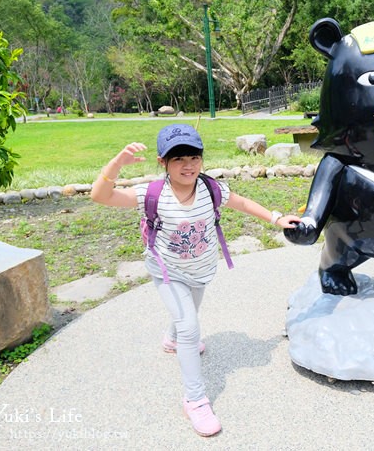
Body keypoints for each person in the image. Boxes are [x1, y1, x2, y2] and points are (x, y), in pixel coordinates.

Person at [91, 124, 300, 437]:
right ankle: (195, 399)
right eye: (178, 159)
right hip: (167, 271)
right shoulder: (151, 194)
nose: (187, 165)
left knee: (187, 318)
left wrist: (276, 218)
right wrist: (117, 164)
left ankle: (172, 339)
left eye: (193, 157)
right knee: (190, 326)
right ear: (162, 162)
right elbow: (100, 196)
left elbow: (241, 202)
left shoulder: (210, 189)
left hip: (202, 269)